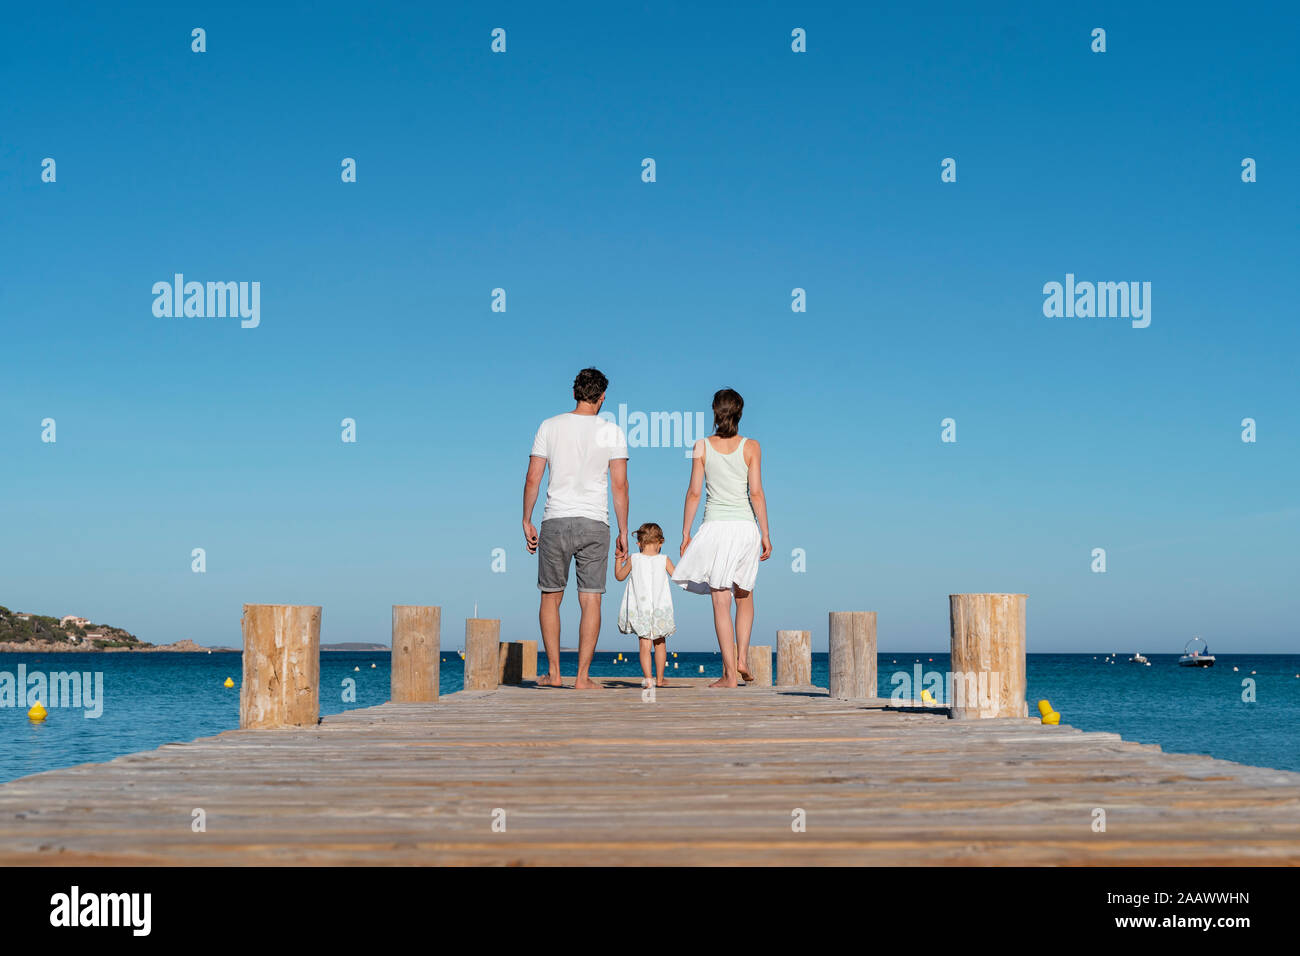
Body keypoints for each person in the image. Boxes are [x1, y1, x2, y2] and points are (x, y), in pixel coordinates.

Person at [523, 368, 629, 689]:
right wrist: (624, 531)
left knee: (550, 598)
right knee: (591, 600)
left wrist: (526, 518)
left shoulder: (549, 426)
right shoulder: (612, 431)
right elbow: (620, 485)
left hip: (554, 520)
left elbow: (533, 478)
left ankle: (555, 674)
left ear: (574, 393)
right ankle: (582, 678)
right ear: (602, 398)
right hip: (595, 522)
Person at [671, 388, 771, 687]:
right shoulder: (752, 446)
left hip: (715, 528)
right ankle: (742, 657)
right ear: (740, 413)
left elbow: (694, 492)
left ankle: (729, 673)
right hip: (744, 528)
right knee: (745, 595)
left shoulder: (701, 446)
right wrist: (766, 532)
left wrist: (686, 532)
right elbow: (756, 493)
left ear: (715, 412)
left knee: (720, 601)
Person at [614, 522, 676, 688]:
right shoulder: (664, 559)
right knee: (660, 644)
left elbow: (619, 576)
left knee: (644, 645)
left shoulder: (634, 559)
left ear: (638, 543)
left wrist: (618, 558)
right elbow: (677, 577)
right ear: (660, 542)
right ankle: (660, 679)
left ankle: (649, 679)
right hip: (660, 609)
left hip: (640, 609)